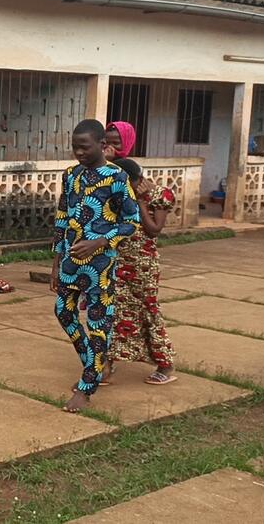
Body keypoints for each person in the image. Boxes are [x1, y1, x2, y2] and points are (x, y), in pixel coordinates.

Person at [52, 119, 141, 413]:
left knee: (98, 322)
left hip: (100, 264)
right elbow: (62, 218)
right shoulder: (70, 175)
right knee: (62, 311)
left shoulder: (116, 177)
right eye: (74, 147)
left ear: (102, 145)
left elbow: (132, 223)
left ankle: (87, 386)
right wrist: (55, 263)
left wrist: (100, 242)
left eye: (84, 147)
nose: (78, 152)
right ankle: (93, 361)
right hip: (69, 260)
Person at [109, 158, 178, 385]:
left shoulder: (159, 195)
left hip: (143, 266)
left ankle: (165, 365)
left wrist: (139, 203)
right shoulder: (117, 193)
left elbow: (154, 230)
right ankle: (107, 364)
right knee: (113, 310)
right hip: (118, 262)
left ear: (137, 179)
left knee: (148, 311)